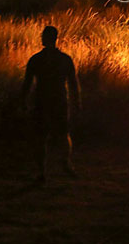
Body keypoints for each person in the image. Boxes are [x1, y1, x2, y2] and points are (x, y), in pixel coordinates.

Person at [21, 26, 80, 184]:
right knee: (62, 134)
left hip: (42, 101)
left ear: (45, 38)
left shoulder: (36, 59)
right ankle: (65, 164)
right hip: (59, 101)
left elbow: (27, 83)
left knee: (41, 137)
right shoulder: (64, 59)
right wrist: (77, 101)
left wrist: (22, 101)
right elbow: (73, 83)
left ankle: (42, 171)